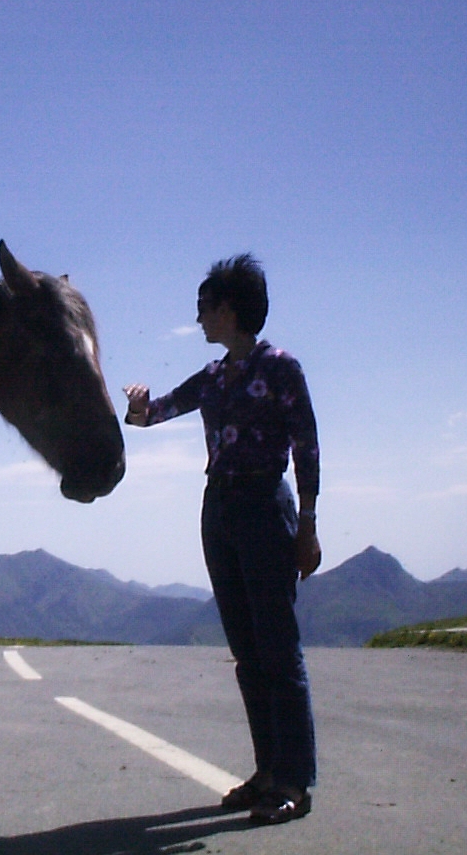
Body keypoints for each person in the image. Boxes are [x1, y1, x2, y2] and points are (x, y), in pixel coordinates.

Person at [123, 253, 320, 826]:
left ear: (230, 310)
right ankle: (267, 772)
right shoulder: (213, 376)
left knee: (278, 649)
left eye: (205, 308)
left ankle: (294, 781)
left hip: (265, 506)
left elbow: (306, 446)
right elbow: (154, 415)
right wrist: (137, 407)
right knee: (248, 652)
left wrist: (307, 524)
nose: (199, 318)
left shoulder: (281, 367)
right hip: (221, 509)